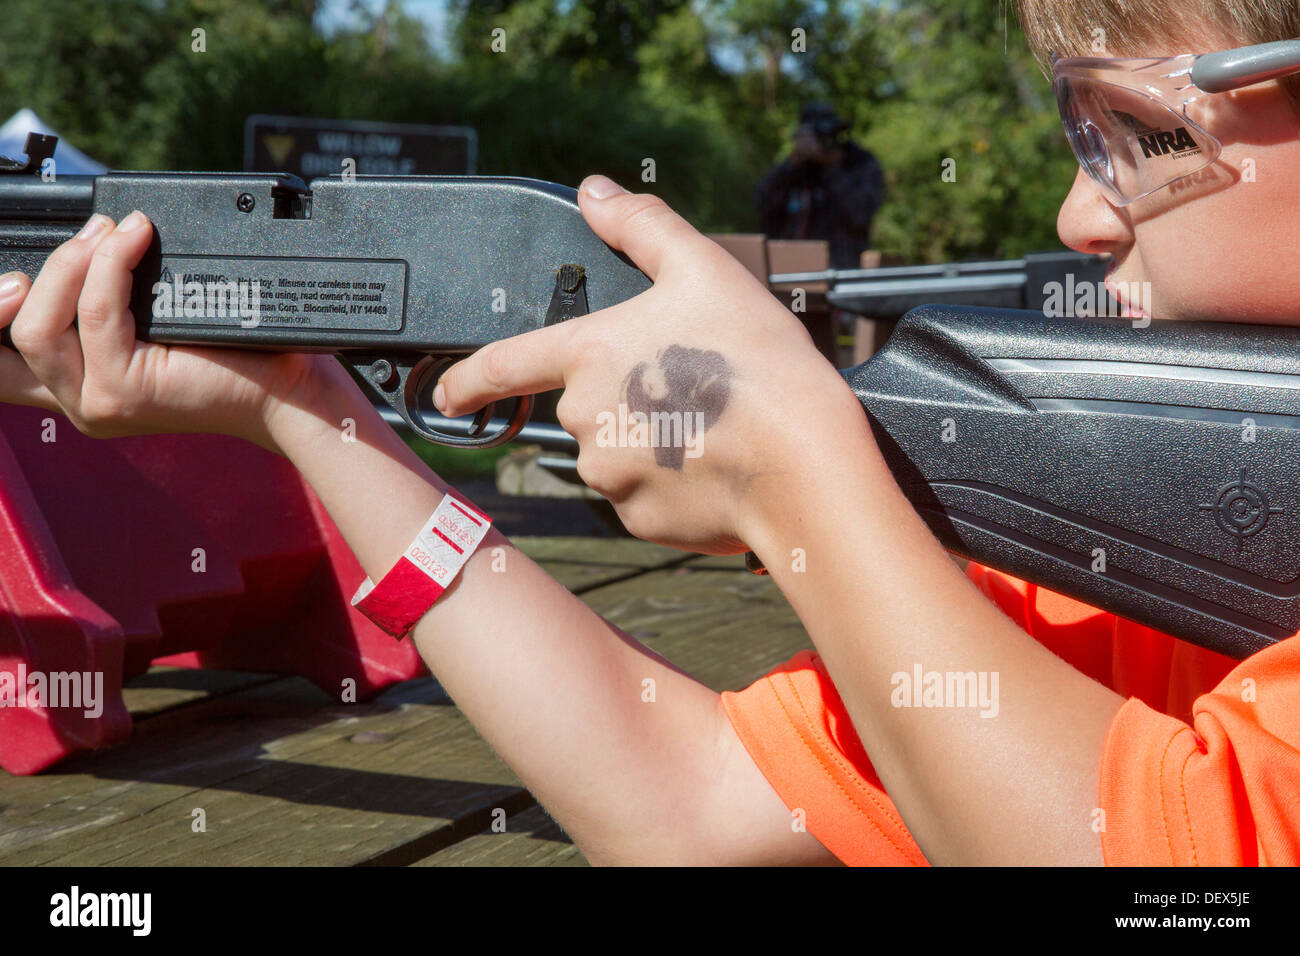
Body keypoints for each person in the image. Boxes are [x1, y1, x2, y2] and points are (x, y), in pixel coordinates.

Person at [2, 0, 1299, 866]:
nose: (1083, 213)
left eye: (1140, 133)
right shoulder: (1150, 601)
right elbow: (686, 799)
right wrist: (303, 408)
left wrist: (795, 476)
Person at [754, 102, 885, 269]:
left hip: (842, 271)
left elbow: (860, 214)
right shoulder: (797, 168)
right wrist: (792, 162)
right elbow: (761, 202)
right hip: (790, 269)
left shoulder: (858, 163)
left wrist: (833, 167)